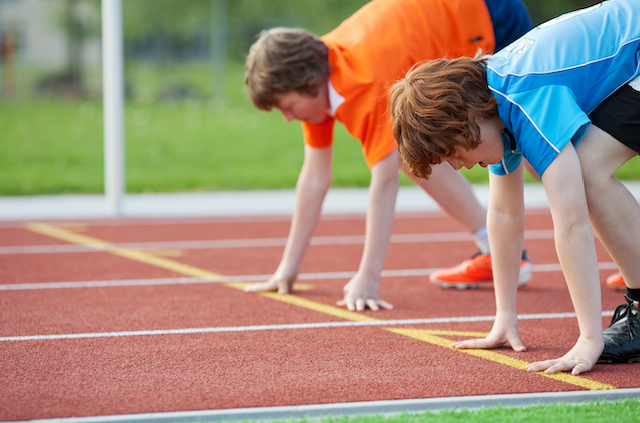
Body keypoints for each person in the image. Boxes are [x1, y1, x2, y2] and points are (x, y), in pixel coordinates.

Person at [388, 0, 640, 373]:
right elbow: (504, 212)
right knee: (585, 170)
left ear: (470, 121)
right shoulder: (493, 107)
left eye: (454, 152)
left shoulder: (524, 98)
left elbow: (571, 224)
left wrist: (590, 337)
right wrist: (505, 314)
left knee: (585, 173)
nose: (459, 165)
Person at [243, 0, 533, 311]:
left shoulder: (364, 81)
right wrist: (288, 267)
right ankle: (499, 250)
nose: (287, 117)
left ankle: (541, 238)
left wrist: (368, 276)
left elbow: (383, 186)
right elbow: (314, 177)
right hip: (463, 14)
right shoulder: (322, 74)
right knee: (413, 152)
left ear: (308, 83)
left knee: (534, 144)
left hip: (489, 14)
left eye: (287, 107)